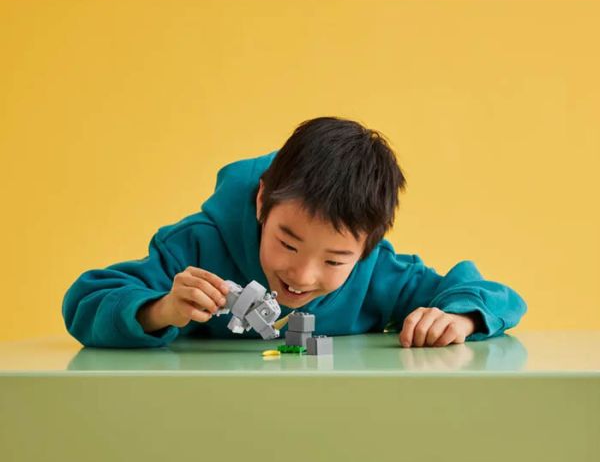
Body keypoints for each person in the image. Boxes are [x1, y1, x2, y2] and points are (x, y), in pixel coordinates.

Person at [62, 116, 527, 349]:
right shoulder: (196, 247)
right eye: (287, 242)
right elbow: (86, 300)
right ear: (261, 201)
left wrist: (460, 319)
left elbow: (494, 296)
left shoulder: (379, 273)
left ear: (366, 248)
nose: (302, 275)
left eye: (335, 260)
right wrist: (161, 309)